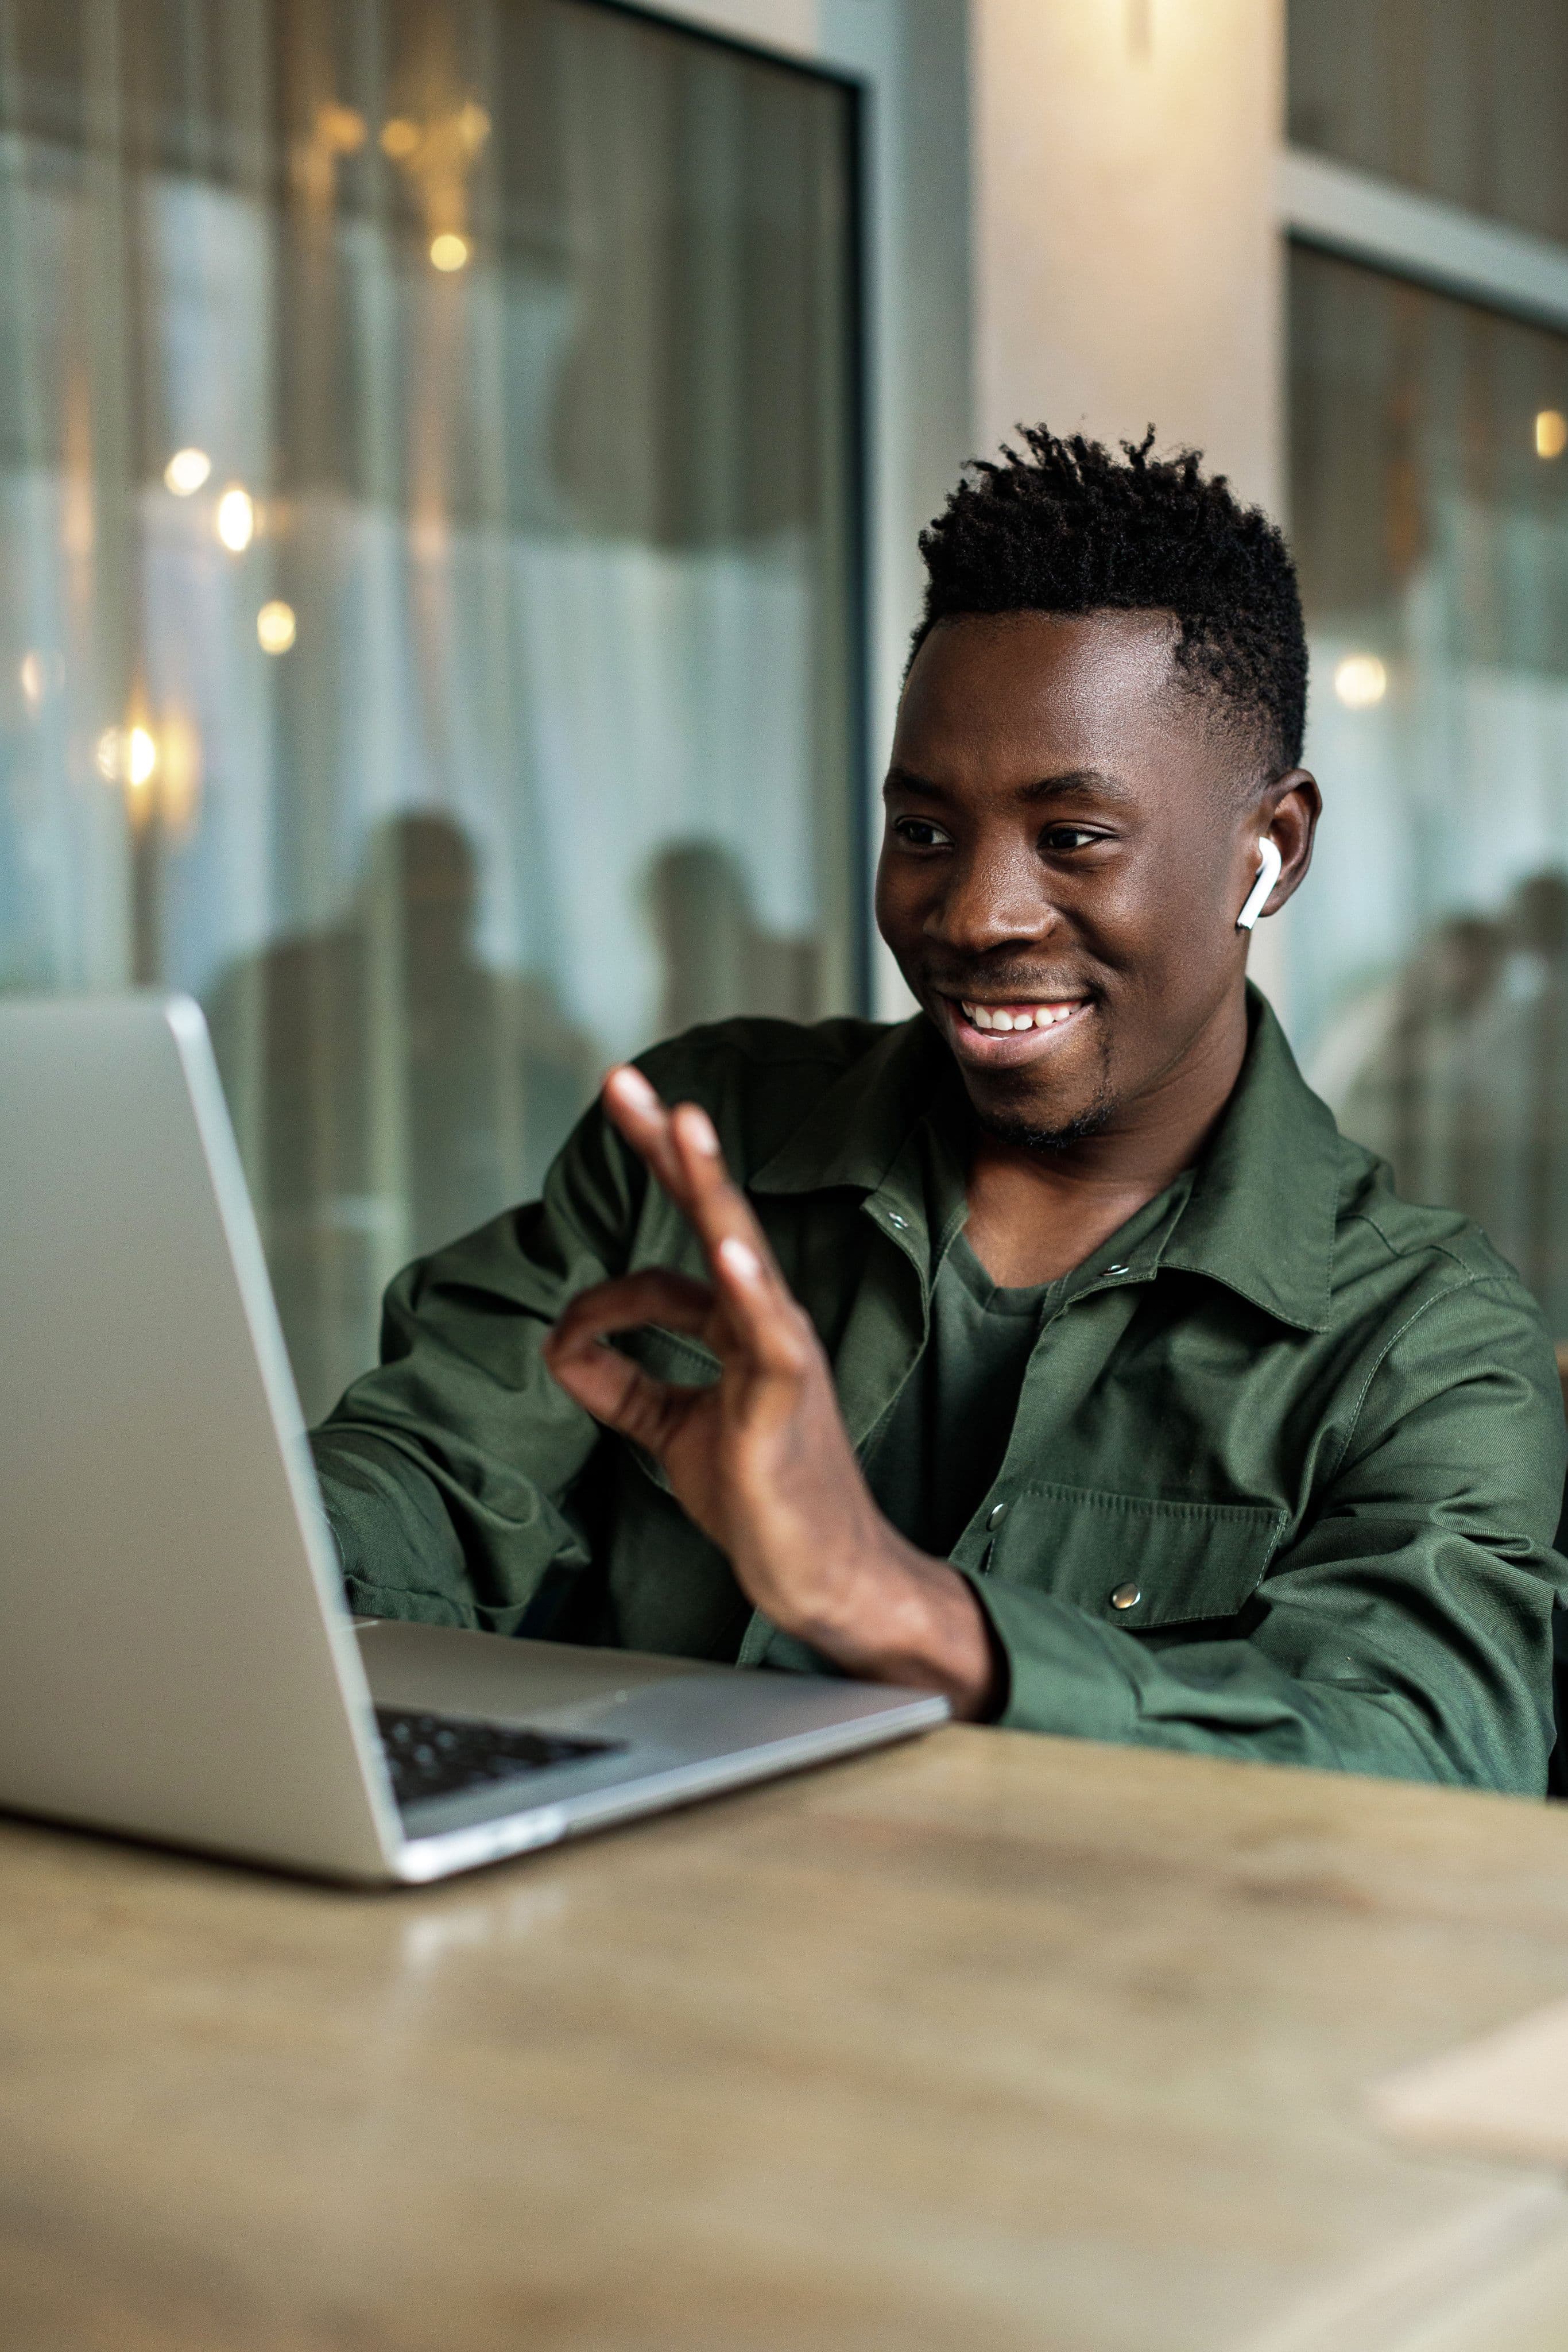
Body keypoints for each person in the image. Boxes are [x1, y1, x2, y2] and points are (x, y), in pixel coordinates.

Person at [312, 429, 1568, 1793]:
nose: (972, 913)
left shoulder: (1424, 1343)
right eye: (922, 831)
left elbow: (1426, 1754)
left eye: (1072, 838)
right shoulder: (701, 1138)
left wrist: (904, 1611)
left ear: (1270, 850)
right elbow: (421, 1477)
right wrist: (224, 1560)